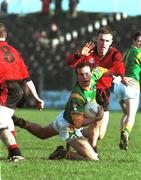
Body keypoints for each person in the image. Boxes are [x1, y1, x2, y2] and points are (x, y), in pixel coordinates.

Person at [13, 62, 105, 160]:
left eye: (87, 74)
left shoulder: (94, 77)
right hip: (69, 128)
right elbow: (78, 123)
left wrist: (117, 76)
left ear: (92, 73)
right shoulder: (77, 97)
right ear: (77, 76)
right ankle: (62, 153)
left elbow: (103, 70)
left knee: (42, 133)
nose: (85, 77)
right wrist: (97, 118)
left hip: (64, 117)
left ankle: (23, 123)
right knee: (92, 158)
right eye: (81, 75)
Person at [65, 26, 125, 152]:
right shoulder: (88, 52)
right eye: (101, 40)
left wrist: (119, 76)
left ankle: (77, 132)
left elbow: (119, 67)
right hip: (87, 91)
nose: (104, 43)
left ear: (111, 42)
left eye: (107, 41)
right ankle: (93, 151)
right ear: (97, 40)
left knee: (101, 134)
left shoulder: (114, 53)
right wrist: (79, 55)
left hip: (103, 93)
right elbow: (70, 63)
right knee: (95, 122)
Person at [0, 23, 44, 162]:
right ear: (5, 36)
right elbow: (27, 77)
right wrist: (37, 98)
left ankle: (15, 153)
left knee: (1, 123)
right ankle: (11, 152)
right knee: (5, 118)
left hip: (8, 88)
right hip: (21, 88)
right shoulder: (14, 51)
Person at [117, 31, 141, 150]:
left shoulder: (126, 52)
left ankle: (122, 140)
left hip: (119, 86)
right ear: (134, 41)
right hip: (131, 85)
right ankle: (125, 132)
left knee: (125, 114)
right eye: (139, 41)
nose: (140, 43)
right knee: (131, 116)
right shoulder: (139, 53)